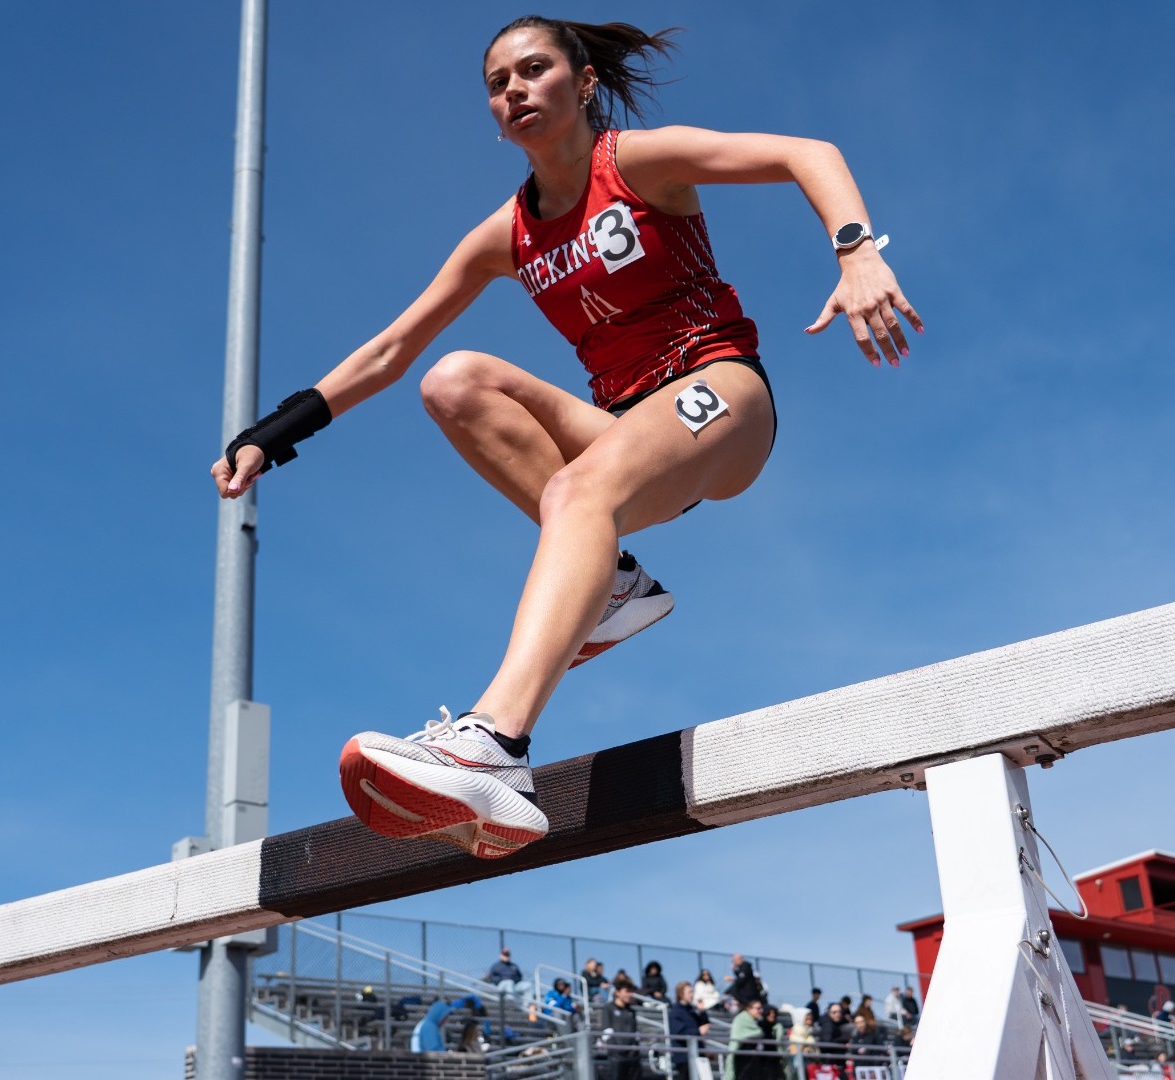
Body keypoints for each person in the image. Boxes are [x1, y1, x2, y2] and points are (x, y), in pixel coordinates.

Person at [215, 16, 921, 861]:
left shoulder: (638, 163)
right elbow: (391, 351)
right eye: (496, 81)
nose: (512, 89)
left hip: (723, 396)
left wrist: (857, 253)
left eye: (533, 69)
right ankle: (614, 584)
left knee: (576, 492)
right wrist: (273, 434)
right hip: (628, 427)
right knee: (454, 378)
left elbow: (808, 151)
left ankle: (496, 745)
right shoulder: (505, 235)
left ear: (583, 83)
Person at [668, 981, 711, 1080]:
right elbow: (679, 1034)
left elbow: (704, 1025)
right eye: (689, 992)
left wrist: (702, 1012)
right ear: (681, 994)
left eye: (692, 992)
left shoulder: (691, 1010)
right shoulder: (676, 1011)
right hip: (684, 1058)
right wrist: (698, 1032)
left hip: (697, 1055)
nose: (692, 995)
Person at [607, 984, 643, 1080]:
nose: (630, 994)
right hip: (617, 1057)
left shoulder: (631, 1011)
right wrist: (616, 1051)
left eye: (631, 991)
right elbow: (606, 1032)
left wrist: (634, 1049)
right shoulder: (608, 1008)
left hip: (632, 1057)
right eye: (627, 991)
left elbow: (635, 1032)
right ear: (618, 992)